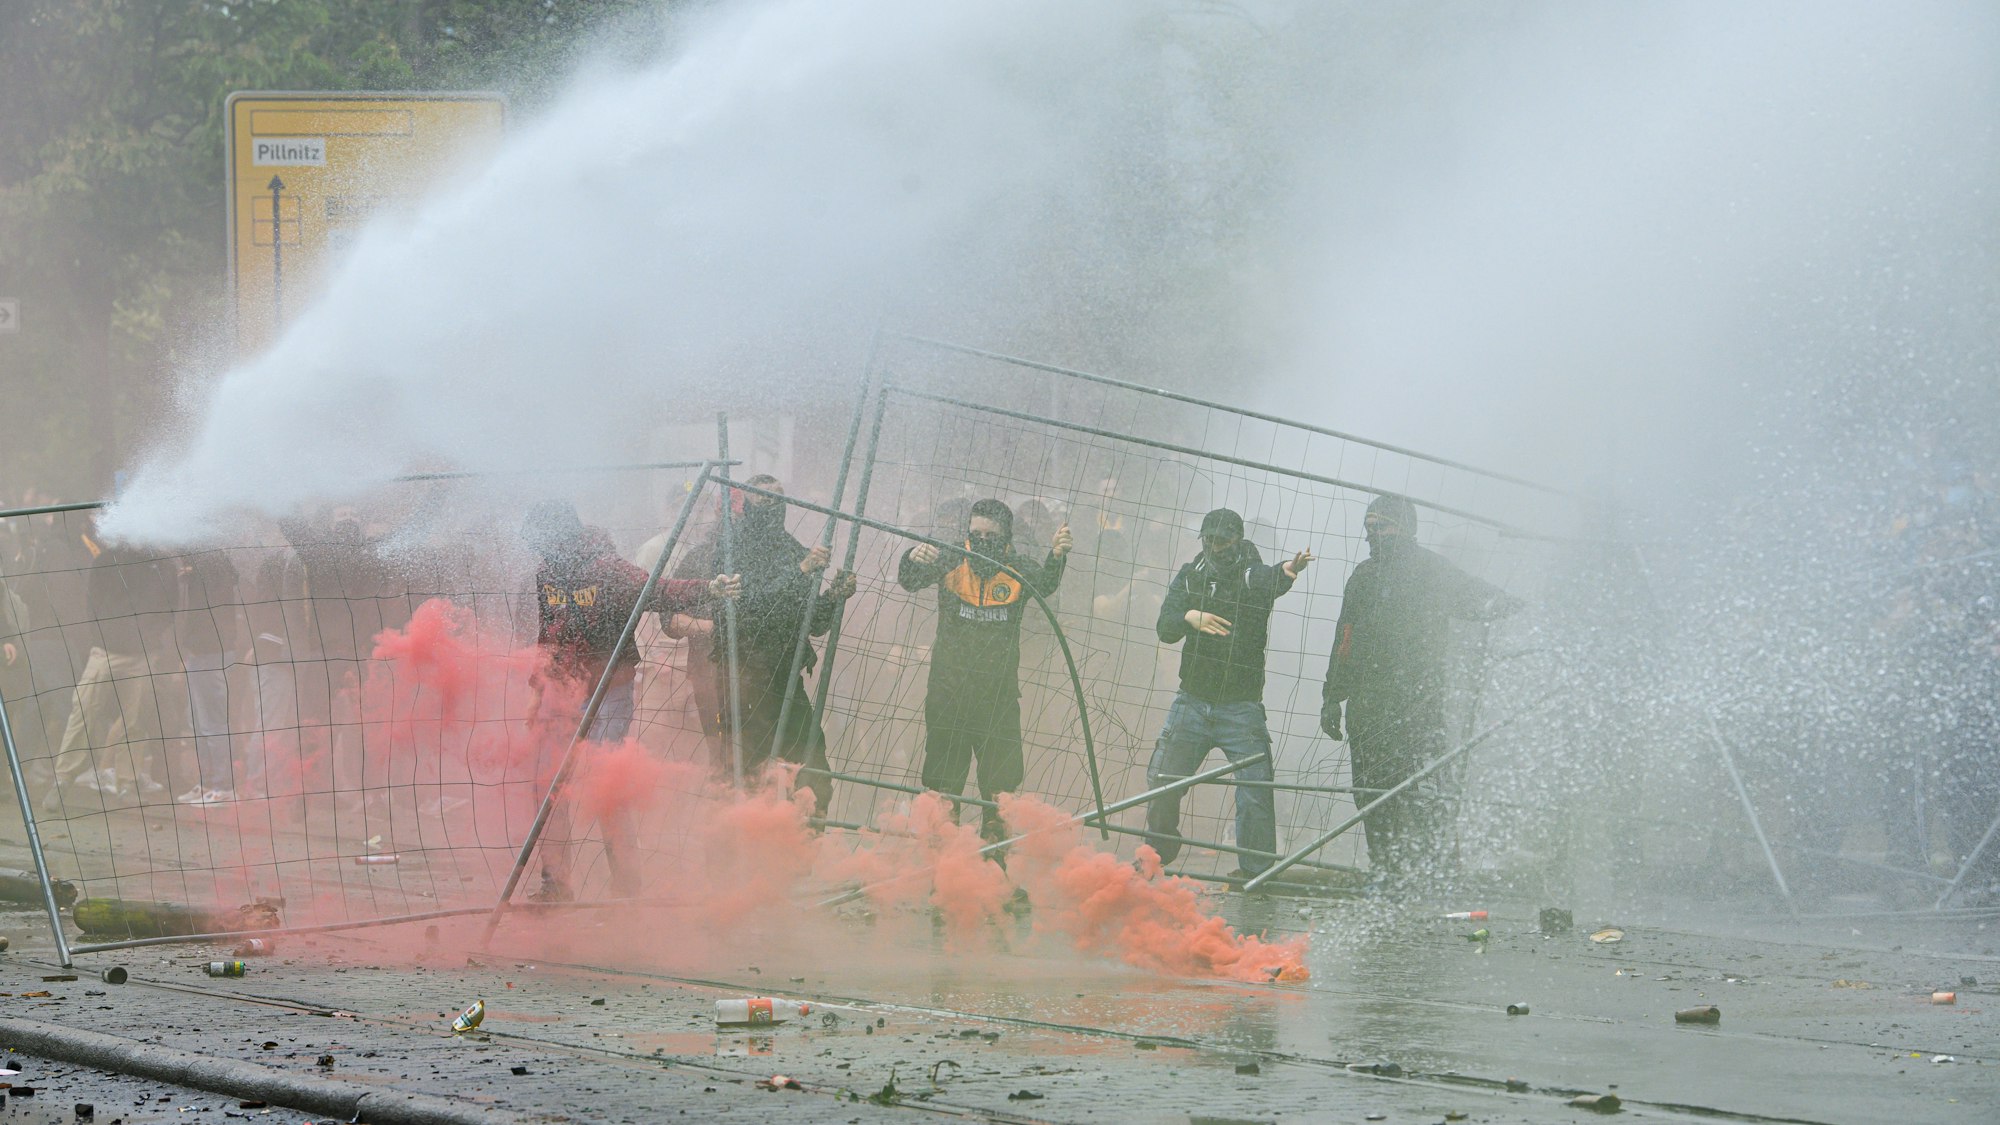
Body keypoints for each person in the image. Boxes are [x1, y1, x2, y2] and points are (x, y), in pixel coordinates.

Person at [522, 500, 740, 901]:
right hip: (563, 688)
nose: (537, 549)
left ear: (560, 537)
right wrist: (537, 692)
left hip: (610, 688)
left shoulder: (607, 570)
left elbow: (658, 590)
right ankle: (555, 884)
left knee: (609, 782)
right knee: (549, 784)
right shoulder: (547, 573)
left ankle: (626, 884)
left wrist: (707, 587)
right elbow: (546, 635)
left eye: (541, 541)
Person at [1321, 494, 1524, 882]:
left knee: (1428, 789)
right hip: (1367, 706)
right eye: (1369, 528)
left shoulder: (1433, 571)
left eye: (1383, 526)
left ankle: (1439, 870)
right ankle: (1387, 869)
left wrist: (1516, 604)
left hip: (1420, 705)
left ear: (1406, 528)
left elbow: (1480, 600)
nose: (1374, 535)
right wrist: (1332, 697)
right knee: (1370, 792)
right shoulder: (1363, 578)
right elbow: (1343, 640)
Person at [1143, 508, 1312, 879]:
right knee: (1162, 778)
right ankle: (1158, 851)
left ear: (1237, 540)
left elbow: (1271, 578)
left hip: (1241, 708)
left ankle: (1256, 872)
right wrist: (1191, 616)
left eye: (1223, 540)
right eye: (1210, 540)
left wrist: (1289, 571)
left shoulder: (1251, 573)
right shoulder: (1190, 577)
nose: (1215, 547)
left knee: (1254, 789)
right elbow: (1165, 628)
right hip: (1192, 700)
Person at [898, 499, 1071, 841]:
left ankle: (996, 863)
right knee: (943, 781)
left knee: (1001, 784)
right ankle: (944, 868)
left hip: (998, 695)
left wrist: (1057, 556)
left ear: (1005, 537)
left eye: (989, 535)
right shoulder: (949, 559)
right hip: (948, 692)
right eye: (974, 533)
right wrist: (910, 558)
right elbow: (910, 580)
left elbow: (1046, 583)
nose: (980, 540)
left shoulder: (1018, 567)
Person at [689, 475, 856, 813]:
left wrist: (835, 597)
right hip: (743, 679)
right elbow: (749, 611)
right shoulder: (730, 549)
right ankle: (748, 857)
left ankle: (804, 855)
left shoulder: (791, 548)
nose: (771, 508)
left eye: (777, 501)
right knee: (749, 780)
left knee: (815, 773)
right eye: (763, 500)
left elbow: (813, 622)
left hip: (786, 678)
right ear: (747, 504)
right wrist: (802, 570)